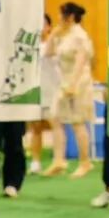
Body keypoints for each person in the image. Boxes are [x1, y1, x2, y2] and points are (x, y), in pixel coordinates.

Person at [44, 2, 95, 178]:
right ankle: (59, 160)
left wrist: (73, 84)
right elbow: (48, 53)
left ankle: (85, 162)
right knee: (55, 117)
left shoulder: (80, 36)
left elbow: (81, 61)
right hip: (64, 80)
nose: (59, 18)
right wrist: (53, 34)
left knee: (77, 122)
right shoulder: (65, 35)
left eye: (61, 14)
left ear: (71, 16)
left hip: (78, 81)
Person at [28, 14, 60, 175]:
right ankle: (35, 161)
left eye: (43, 24)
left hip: (52, 91)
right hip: (35, 92)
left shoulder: (55, 46)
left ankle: (58, 160)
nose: (40, 28)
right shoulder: (28, 47)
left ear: (49, 27)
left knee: (56, 126)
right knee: (35, 128)